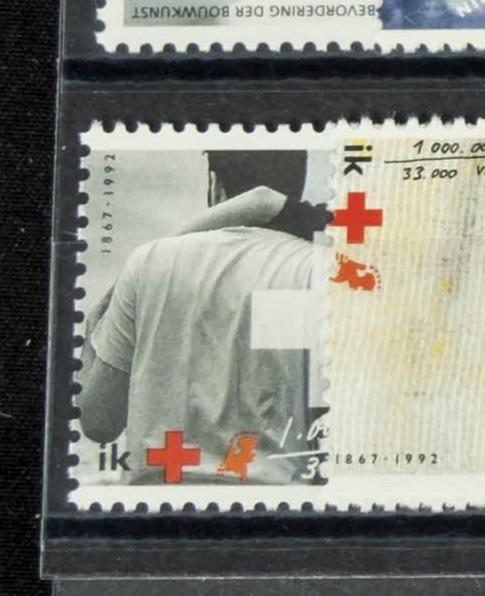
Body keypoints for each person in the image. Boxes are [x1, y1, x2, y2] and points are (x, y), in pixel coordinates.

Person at [87, 163, 324, 478]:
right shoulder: (315, 269)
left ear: (214, 184)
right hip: (274, 498)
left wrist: (96, 322)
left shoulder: (150, 262)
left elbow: (99, 422)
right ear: (297, 189)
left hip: (158, 498)